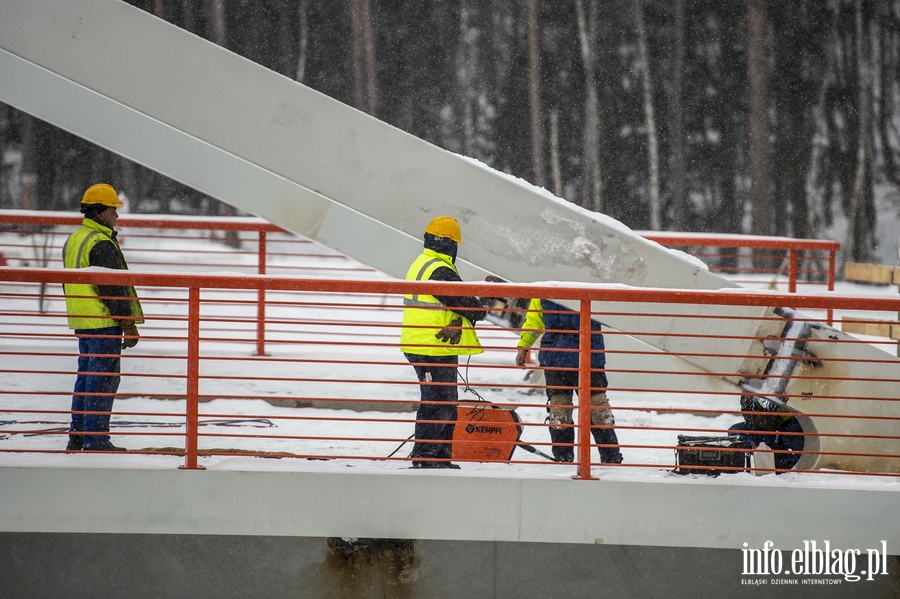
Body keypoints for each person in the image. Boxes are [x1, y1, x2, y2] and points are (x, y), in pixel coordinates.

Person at [400, 216, 486, 468]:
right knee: (439, 402)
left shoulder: (425, 262)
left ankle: (438, 457)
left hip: (431, 343)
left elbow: (456, 300)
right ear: (448, 243)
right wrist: (483, 304)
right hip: (429, 346)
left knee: (444, 402)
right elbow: (467, 304)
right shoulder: (439, 269)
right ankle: (426, 458)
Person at [63, 183, 144, 451]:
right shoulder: (101, 243)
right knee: (102, 381)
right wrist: (128, 324)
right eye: (113, 210)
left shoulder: (76, 238)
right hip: (103, 321)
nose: (117, 216)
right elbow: (113, 290)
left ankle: (78, 436)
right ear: (100, 213)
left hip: (83, 320)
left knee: (86, 378)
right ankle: (96, 440)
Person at [515, 298, 623, 464]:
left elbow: (613, 315)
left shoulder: (548, 289)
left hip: (581, 355)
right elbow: (534, 320)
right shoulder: (545, 291)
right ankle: (565, 458)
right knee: (561, 411)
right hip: (569, 356)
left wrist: (524, 346)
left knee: (597, 409)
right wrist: (523, 346)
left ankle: (609, 457)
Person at [728, 394, 803, 470]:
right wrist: (759, 416)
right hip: (763, 430)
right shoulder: (753, 388)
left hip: (784, 425)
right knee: (735, 431)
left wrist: (777, 416)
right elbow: (746, 406)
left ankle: (787, 464)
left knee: (793, 435)